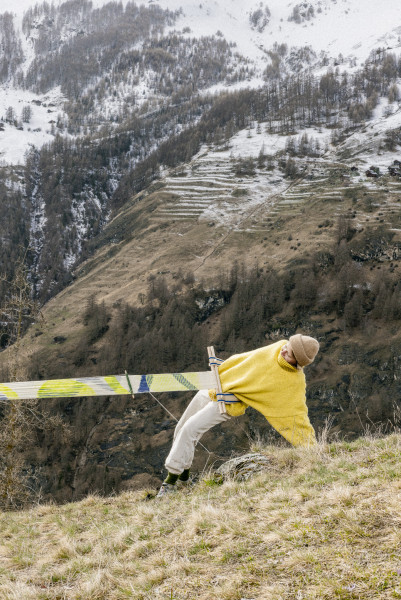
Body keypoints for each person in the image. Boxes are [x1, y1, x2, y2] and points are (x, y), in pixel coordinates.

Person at [157, 334, 319, 497]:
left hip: (229, 403)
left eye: (289, 353)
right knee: (182, 428)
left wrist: (312, 449)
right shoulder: (279, 346)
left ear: (297, 362)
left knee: (189, 429)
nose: (283, 350)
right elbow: (247, 360)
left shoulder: (292, 383)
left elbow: (296, 414)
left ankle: (170, 482)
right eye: (287, 346)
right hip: (221, 383)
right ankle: (184, 480)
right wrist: (225, 366)